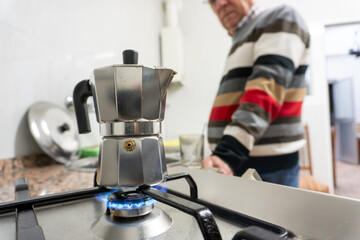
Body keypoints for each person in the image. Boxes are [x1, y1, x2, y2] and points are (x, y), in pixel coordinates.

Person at [202, 0, 310, 187]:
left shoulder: (280, 17)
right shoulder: (242, 36)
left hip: (266, 169)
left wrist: (228, 152)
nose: (220, 4)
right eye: (212, 1)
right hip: (243, 165)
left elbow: (266, 90)